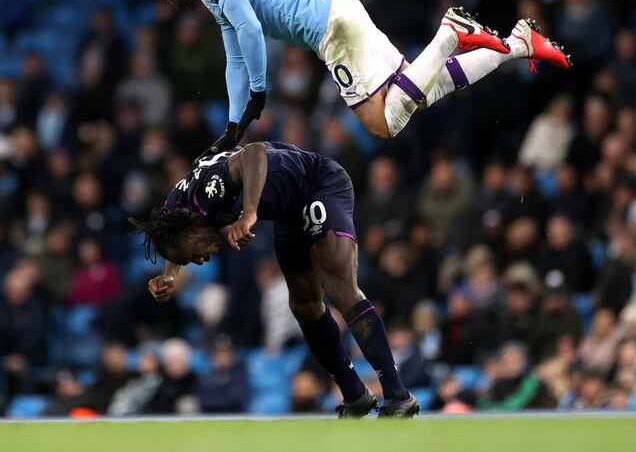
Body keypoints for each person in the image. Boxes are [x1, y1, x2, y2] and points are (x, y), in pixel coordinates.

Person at [136, 0, 571, 157]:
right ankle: (517, 44)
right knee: (418, 93)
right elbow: (234, 50)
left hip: (330, 31)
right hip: (336, 11)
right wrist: (235, 125)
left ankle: (450, 34)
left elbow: (249, 30)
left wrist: (259, 90)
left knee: (383, 124)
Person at [130, 142, 419, 417]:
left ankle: (397, 394)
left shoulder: (209, 191)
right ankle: (355, 394)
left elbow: (254, 153)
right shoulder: (176, 212)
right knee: (304, 305)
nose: (200, 260)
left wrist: (250, 212)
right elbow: (174, 239)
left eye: (191, 256)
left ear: (192, 232)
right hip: (287, 210)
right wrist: (169, 274)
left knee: (340, 289)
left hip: (318, 185)